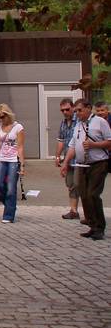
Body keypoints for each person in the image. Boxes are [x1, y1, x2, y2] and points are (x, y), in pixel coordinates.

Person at [60, 99, 111, 240]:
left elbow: (109, 142)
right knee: (84, 195)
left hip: (98, 164)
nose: (77, 113)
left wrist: (95, 145)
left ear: (88, 108)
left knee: (93, 194)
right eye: (75, 111)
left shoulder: (100, 122)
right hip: (81, 165)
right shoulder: (78, 125)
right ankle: (92, 225)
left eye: (79, 110)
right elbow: (72, 146)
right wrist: (65, 163)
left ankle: (100, 227)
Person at [0, 104, 26, 223]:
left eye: (3, 116)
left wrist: (22, 165)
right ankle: (10, 205)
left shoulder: (18, 127)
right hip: (1, 159)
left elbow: (20, 147)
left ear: (8, 114)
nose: (1, 119)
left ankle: (8, 215)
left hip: (13, 160)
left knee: (11, 188)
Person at [56, 99, 80, 220]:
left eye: (67, 109)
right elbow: (61, 140)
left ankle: (89, 212)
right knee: (70, 184)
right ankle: (74, 211)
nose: (65, 112)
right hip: (68, 159)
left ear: (72, 108)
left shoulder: (79, 120)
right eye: (62, 110)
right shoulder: (64, 123)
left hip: (80, 160)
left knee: (78, 184)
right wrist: (57, 156)